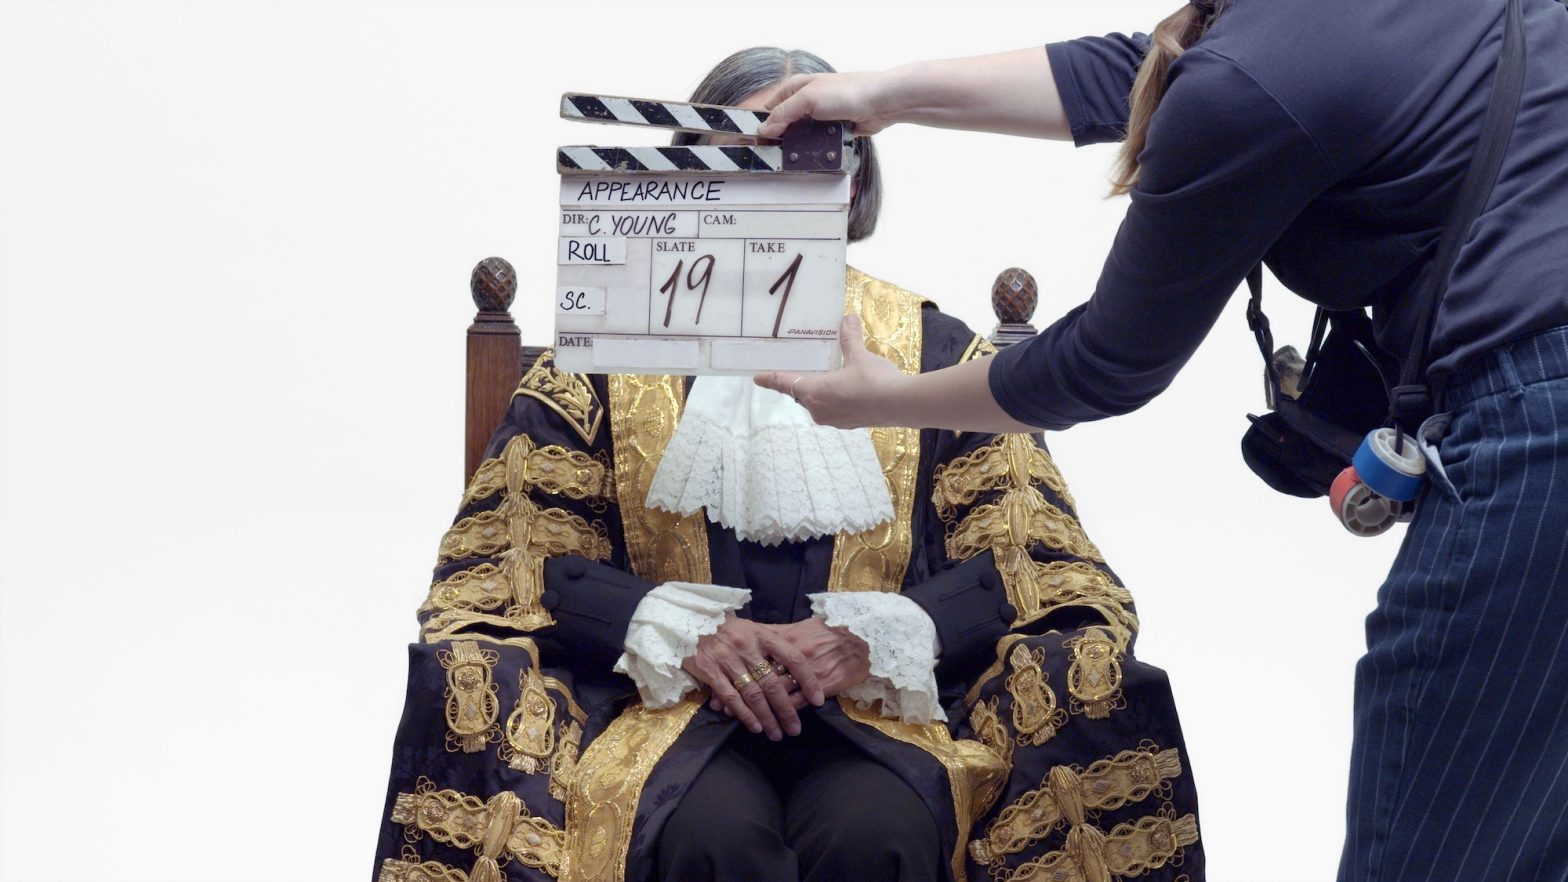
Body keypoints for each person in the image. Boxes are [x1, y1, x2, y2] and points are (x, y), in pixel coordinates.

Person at [753, 2, 1568, 880]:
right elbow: (1146, 74)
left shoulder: (1248, 82)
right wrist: (885, 93)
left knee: (1428, 850)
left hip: (1539, 431)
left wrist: (891, 398)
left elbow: (1106, 361)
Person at [374, 47, 1204, 882]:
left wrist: (880, 636)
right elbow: (508, 567)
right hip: (659, 717)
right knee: (708, 841)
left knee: (874, 836)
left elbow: (1039, 571)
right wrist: (674, 629)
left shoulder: (936, 354)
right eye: (748, 156)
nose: (778, 183)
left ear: (854, 181)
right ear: (695, 174)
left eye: (812, 157)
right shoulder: (598, 360)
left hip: (878, 719)